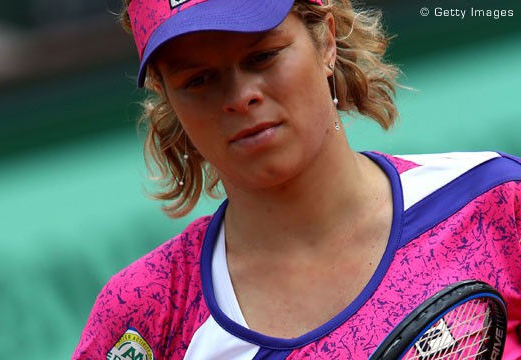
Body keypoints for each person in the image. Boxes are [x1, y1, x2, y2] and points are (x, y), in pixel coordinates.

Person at [73, 0, 521, 358]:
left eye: (263, 56)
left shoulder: (495, 199)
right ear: (167, 97)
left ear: (325, 40)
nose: (240, 96)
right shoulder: (145, 313)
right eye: (199, 79)